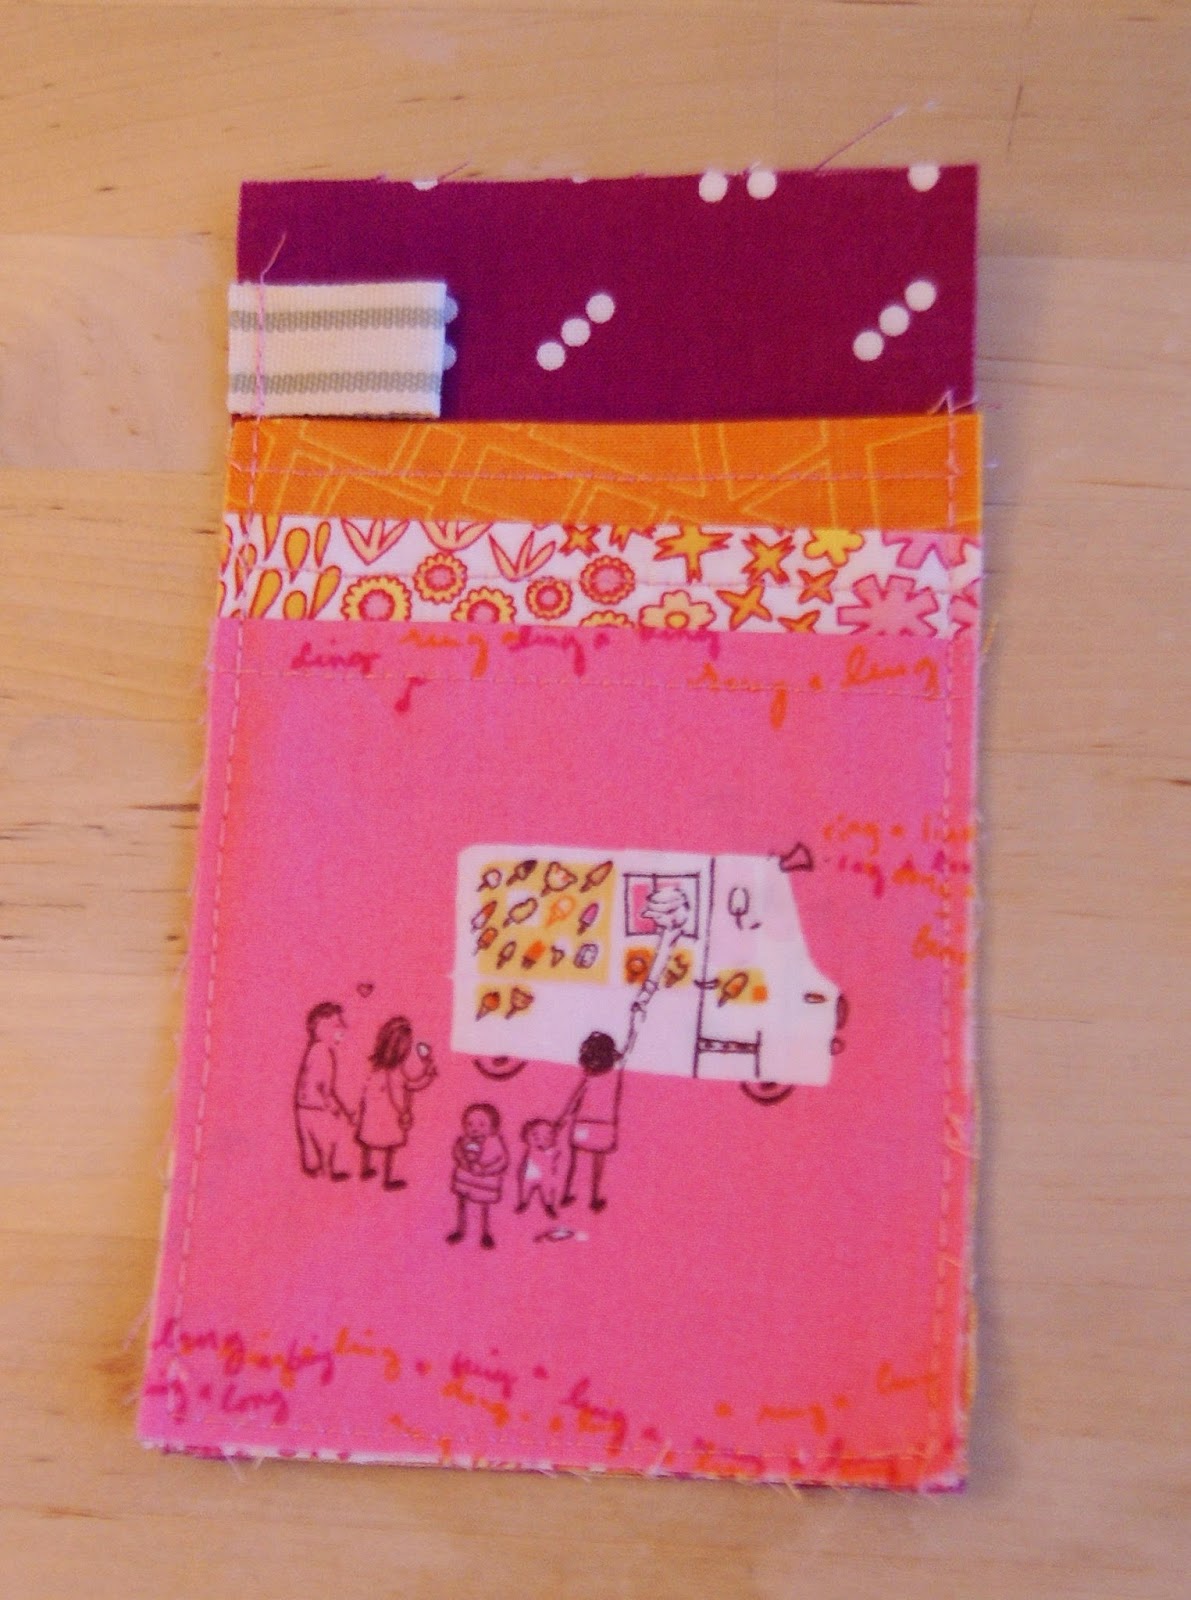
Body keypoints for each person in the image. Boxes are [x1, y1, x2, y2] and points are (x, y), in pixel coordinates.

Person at [356, 1016, 436, 1190]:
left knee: (368, 1142)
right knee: (388, 1147)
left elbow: (365, 1089)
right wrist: (428, 1074)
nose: (406, 1049)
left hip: (375, 1114)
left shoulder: (376, 1066)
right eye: (404, 1045)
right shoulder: (392, 1070)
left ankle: (366, 1169)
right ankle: (385, 1178)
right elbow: (411, 1085)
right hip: (388, 1115)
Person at [558, 1030, 623, 1212]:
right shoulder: (615, 1075)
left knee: (575, 1161)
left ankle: (566, 1193)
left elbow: (574, 1099)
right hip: (603, 1124)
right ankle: (594, 1198)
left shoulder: (587, 1076)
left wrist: (562, 1118)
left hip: (584, 1123)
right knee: (597, 1162)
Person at [293, 1001, 352, 1180]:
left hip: (303, 1106)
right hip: (316, 1106)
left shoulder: (313, 1050)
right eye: (337, 1025)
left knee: (309, 1143)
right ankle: (334, 1170)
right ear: (321, 1028)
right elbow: (323, 1086)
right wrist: (333, 1106)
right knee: (336, 1135)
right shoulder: (323, 1052)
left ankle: (313, 1168)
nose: (342, 1028)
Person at [446, 1103, 508, 1249]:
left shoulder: (495, 1143)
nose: (474, 1128)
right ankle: (460, 1229)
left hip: (485, 1182)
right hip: (465, 1179)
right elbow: (457, 1152)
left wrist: (485, 1170)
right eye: (469, 1124)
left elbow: (502, 1161)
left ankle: (485, 1233)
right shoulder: (465, 1140)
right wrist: (463, 1161)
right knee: (462, 1203)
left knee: (484, 1205)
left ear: (493, 1127)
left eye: (481, 1124)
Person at [515, 1118, 563, 1219]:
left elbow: (554, 1157)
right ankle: (523, 1202)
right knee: (525, 1190)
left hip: (546, 1177)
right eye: (536, 1138)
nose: (541, 1142)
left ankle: (549, 1205)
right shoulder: (531, 1149)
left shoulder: (551, 1150)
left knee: (548, 1192)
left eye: (547, 1138)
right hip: (530, 1175)